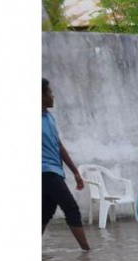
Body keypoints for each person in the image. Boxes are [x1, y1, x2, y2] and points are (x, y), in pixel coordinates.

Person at [42, 78, 91, 251]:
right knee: (71, 208)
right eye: (49, 92)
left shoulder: (49, 117)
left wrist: (75, 172)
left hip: (55, 171)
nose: (53, 96)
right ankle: (87, 253)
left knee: (45, 213)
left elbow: (59, 146)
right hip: (45, 172)